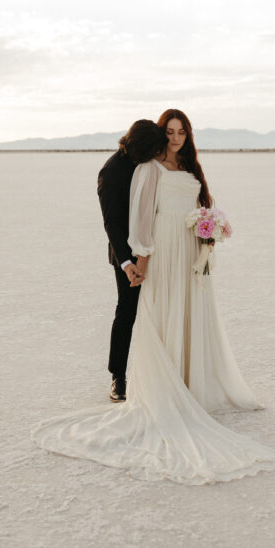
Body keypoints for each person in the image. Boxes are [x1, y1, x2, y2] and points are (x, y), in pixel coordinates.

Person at [32, 109, 275, 484]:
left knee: (179, 311)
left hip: (181, 251)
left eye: (180, 132)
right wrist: (133, 262)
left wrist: (206, 235)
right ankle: (119, 377)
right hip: (134, 253)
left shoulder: (186, 166)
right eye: (168, 133)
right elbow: (119, 222)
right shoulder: (122, 170)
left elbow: (198, 204)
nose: (173, 139)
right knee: (130, 312)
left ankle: (189, 378)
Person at [96, 119, 167, 403]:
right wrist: (127, 263)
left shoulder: (150, 163)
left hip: (158, 250)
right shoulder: (111, 172)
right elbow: (111, 223)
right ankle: (118, 376)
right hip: (126, 256)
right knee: (126, 312)